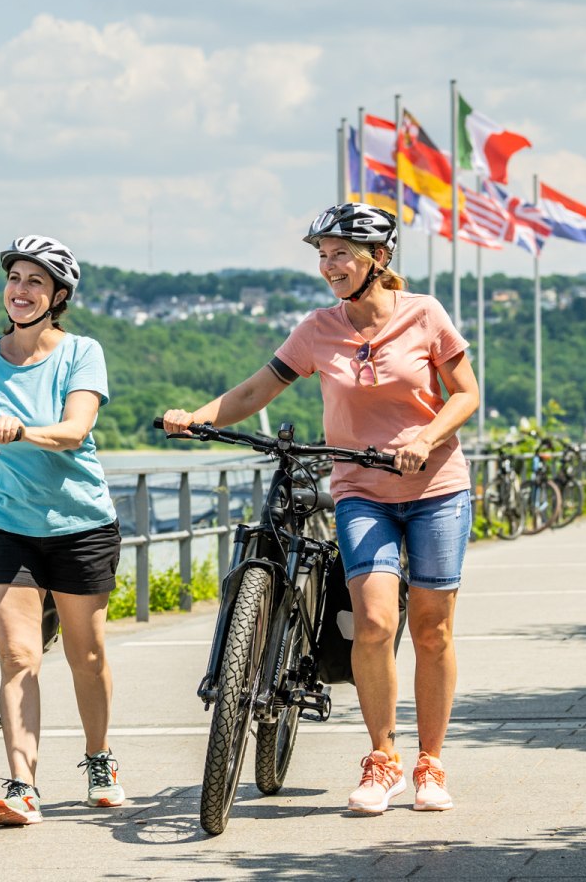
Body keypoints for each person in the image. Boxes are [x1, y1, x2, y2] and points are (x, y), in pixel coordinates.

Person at [162, 203, 479, 815]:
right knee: (375, 622)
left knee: (432, 628)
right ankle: (382, 759)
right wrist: (197, 417)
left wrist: (424, 437)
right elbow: (258, 389)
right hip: (361, 490)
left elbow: (466, 395)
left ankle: (431, 763)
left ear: (378, 260)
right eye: (322, 255)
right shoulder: (318, 329)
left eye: (341, 254)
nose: (328, 266)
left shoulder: (425, 315)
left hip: (435, 486)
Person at [0, 235, 126, 827]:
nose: (21, 289)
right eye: (15, 278)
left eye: (35, 281)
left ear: (57, 295)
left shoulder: (81, 353)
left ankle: (99, 758)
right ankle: (22, 784)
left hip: (79, 523)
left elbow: (75, 429)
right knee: (16, 655)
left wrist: (21, 432)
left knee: (86, 655)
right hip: (5, 524)